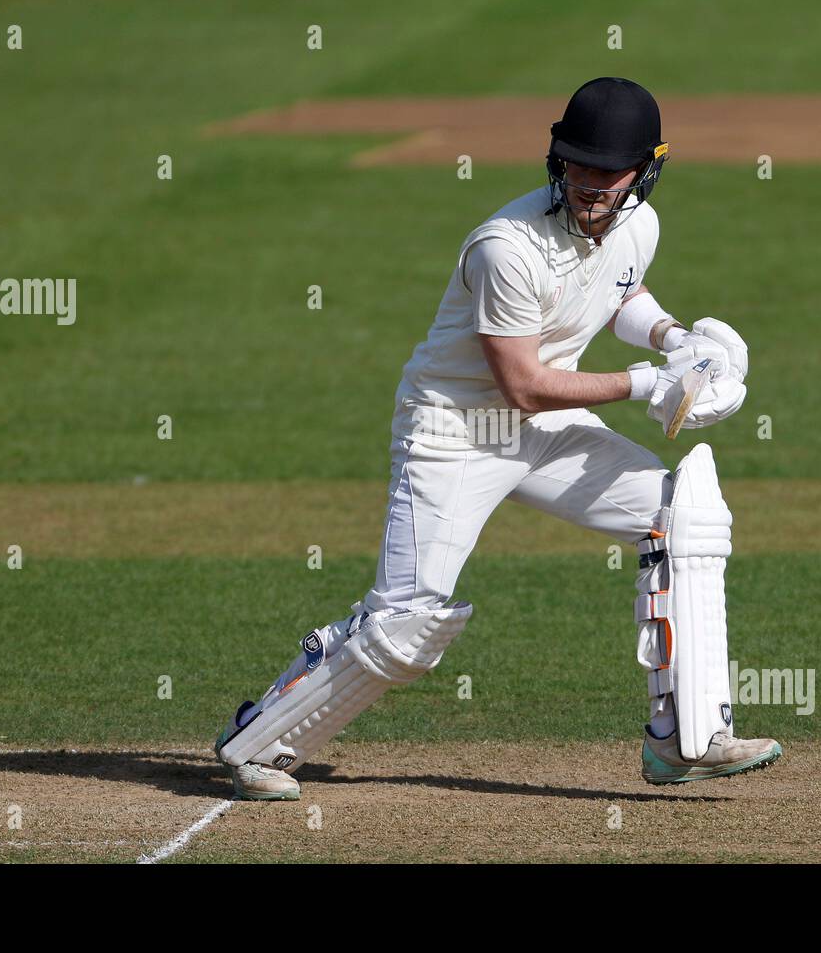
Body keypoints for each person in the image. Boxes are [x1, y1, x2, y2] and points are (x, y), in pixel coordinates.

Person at [214, 77, 781, 801]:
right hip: (455, 432)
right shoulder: (505, 248)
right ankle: (256, 740)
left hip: (544, 430)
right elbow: (521, 383)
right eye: (575, 164)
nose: (587, 183)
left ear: (646, 169)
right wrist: (647, 384)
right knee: (406, 628)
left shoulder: (639, 224)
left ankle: (685, 738)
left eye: (606, 171)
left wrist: (676, 337)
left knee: (683, 520)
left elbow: (621, 291)